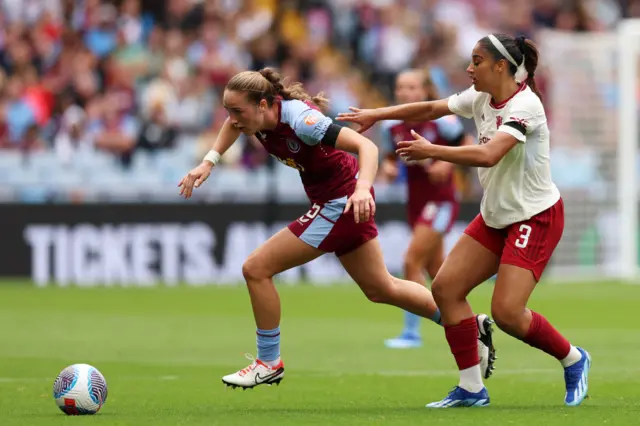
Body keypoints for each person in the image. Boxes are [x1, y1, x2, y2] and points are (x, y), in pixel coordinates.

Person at [178, 68, 496, 389]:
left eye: (237, 111)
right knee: (381, 288)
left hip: (340, 202)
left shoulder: (303, 121)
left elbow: (366, 147)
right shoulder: (254, 118)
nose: (232, 119)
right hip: (338, 200)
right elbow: (230, 125)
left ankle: (268, 362)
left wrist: (362, 188)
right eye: (227, 111)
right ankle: (468, 326)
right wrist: (209, 161)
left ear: (263, 105)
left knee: (256, 268)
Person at [337, 34, 591, 408]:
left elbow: (490, 155)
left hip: (535, 218)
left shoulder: (526, 105)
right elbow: (428, 109)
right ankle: (471, 388)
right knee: (445, 289)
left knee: (506, 313)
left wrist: (432, 151)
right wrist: (377, 114)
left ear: (500, 66)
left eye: (477, 61)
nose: (469, 68)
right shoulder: (481, 98)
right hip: (496, 215)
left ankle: (573, 358)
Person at [379, 68, 476, 350]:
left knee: (411, 261)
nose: (405, 93)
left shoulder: (442, 121)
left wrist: (445, 165)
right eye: (400, 88)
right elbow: (389, 155)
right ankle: (469, 324)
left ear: (425, 92)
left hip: (441, 200)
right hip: (417, 202)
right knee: (439, 273)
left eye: (411, 88)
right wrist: (388, 165)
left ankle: (411, 332)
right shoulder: (392, 125)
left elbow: (466, 144)